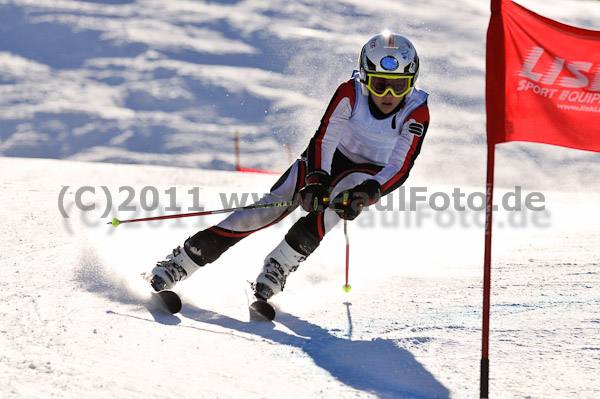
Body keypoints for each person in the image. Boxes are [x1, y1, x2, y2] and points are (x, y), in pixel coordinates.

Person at [148, 32, 430, 302]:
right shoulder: (350, 93)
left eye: (399, 85)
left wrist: (368, 192)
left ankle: (278, 267)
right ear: (367, 78)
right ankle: (182, 261)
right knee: (270, 208)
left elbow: (400, 166)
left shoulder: (416, 111)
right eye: (380, 84)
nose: (389, 94)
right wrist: (317, 180)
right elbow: (325, 138)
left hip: (367, 173)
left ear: (411, 82)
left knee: (335, 207)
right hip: (327, 157)